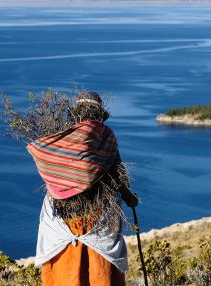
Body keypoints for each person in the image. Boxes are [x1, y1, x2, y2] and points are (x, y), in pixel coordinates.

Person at [27, 91, 138, 286]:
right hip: (98, 217)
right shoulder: (105, 137)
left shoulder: (58, 137)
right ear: (99, 114)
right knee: (101, 275)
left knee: (63, 275)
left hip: (61, 219)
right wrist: (129, 198)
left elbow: (50, 170)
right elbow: (117, 173)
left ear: (74, 113)